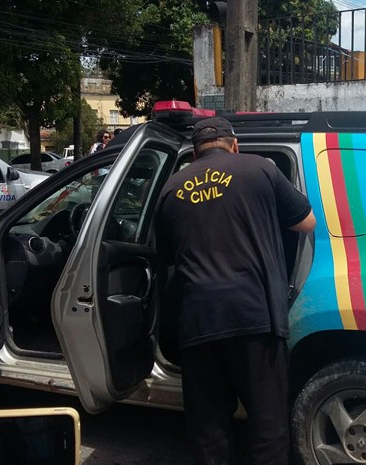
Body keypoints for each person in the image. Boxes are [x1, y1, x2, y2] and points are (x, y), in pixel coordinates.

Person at [154, 116, 316, 465]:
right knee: (268, 425)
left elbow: (166, 256)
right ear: (234, 145)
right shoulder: (260, 170)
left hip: (198, 323)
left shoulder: (170, 188)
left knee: (208, 429)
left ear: (194, 156)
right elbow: (307, 222)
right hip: (254, 316)